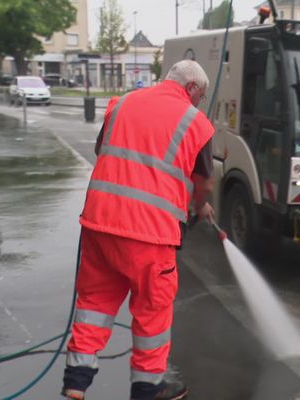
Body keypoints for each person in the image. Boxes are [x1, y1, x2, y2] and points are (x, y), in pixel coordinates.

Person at [61, 60, 215, 400]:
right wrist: (199, 206)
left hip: (99, 224)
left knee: (95, 302)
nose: (199, 103)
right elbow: (203, 183)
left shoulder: (123, 102)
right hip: (150, 235)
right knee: (152, 312)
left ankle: (76, 381)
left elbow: (103, 150)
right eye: (200, 96)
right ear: (191, 89)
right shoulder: (196, 122)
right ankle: (147, 389)